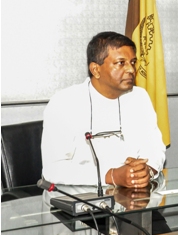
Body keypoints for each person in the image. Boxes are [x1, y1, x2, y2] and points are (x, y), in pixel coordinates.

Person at [41, 31, 166, 189]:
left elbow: (154, 147)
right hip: (81, 202)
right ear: (96, 70)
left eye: (133, 62)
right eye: (121, 63)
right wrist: (112, 175)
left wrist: (146, 170)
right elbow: (53, 169)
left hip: (133, 199)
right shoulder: (64, 102)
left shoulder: (139, 97)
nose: (131, 70)